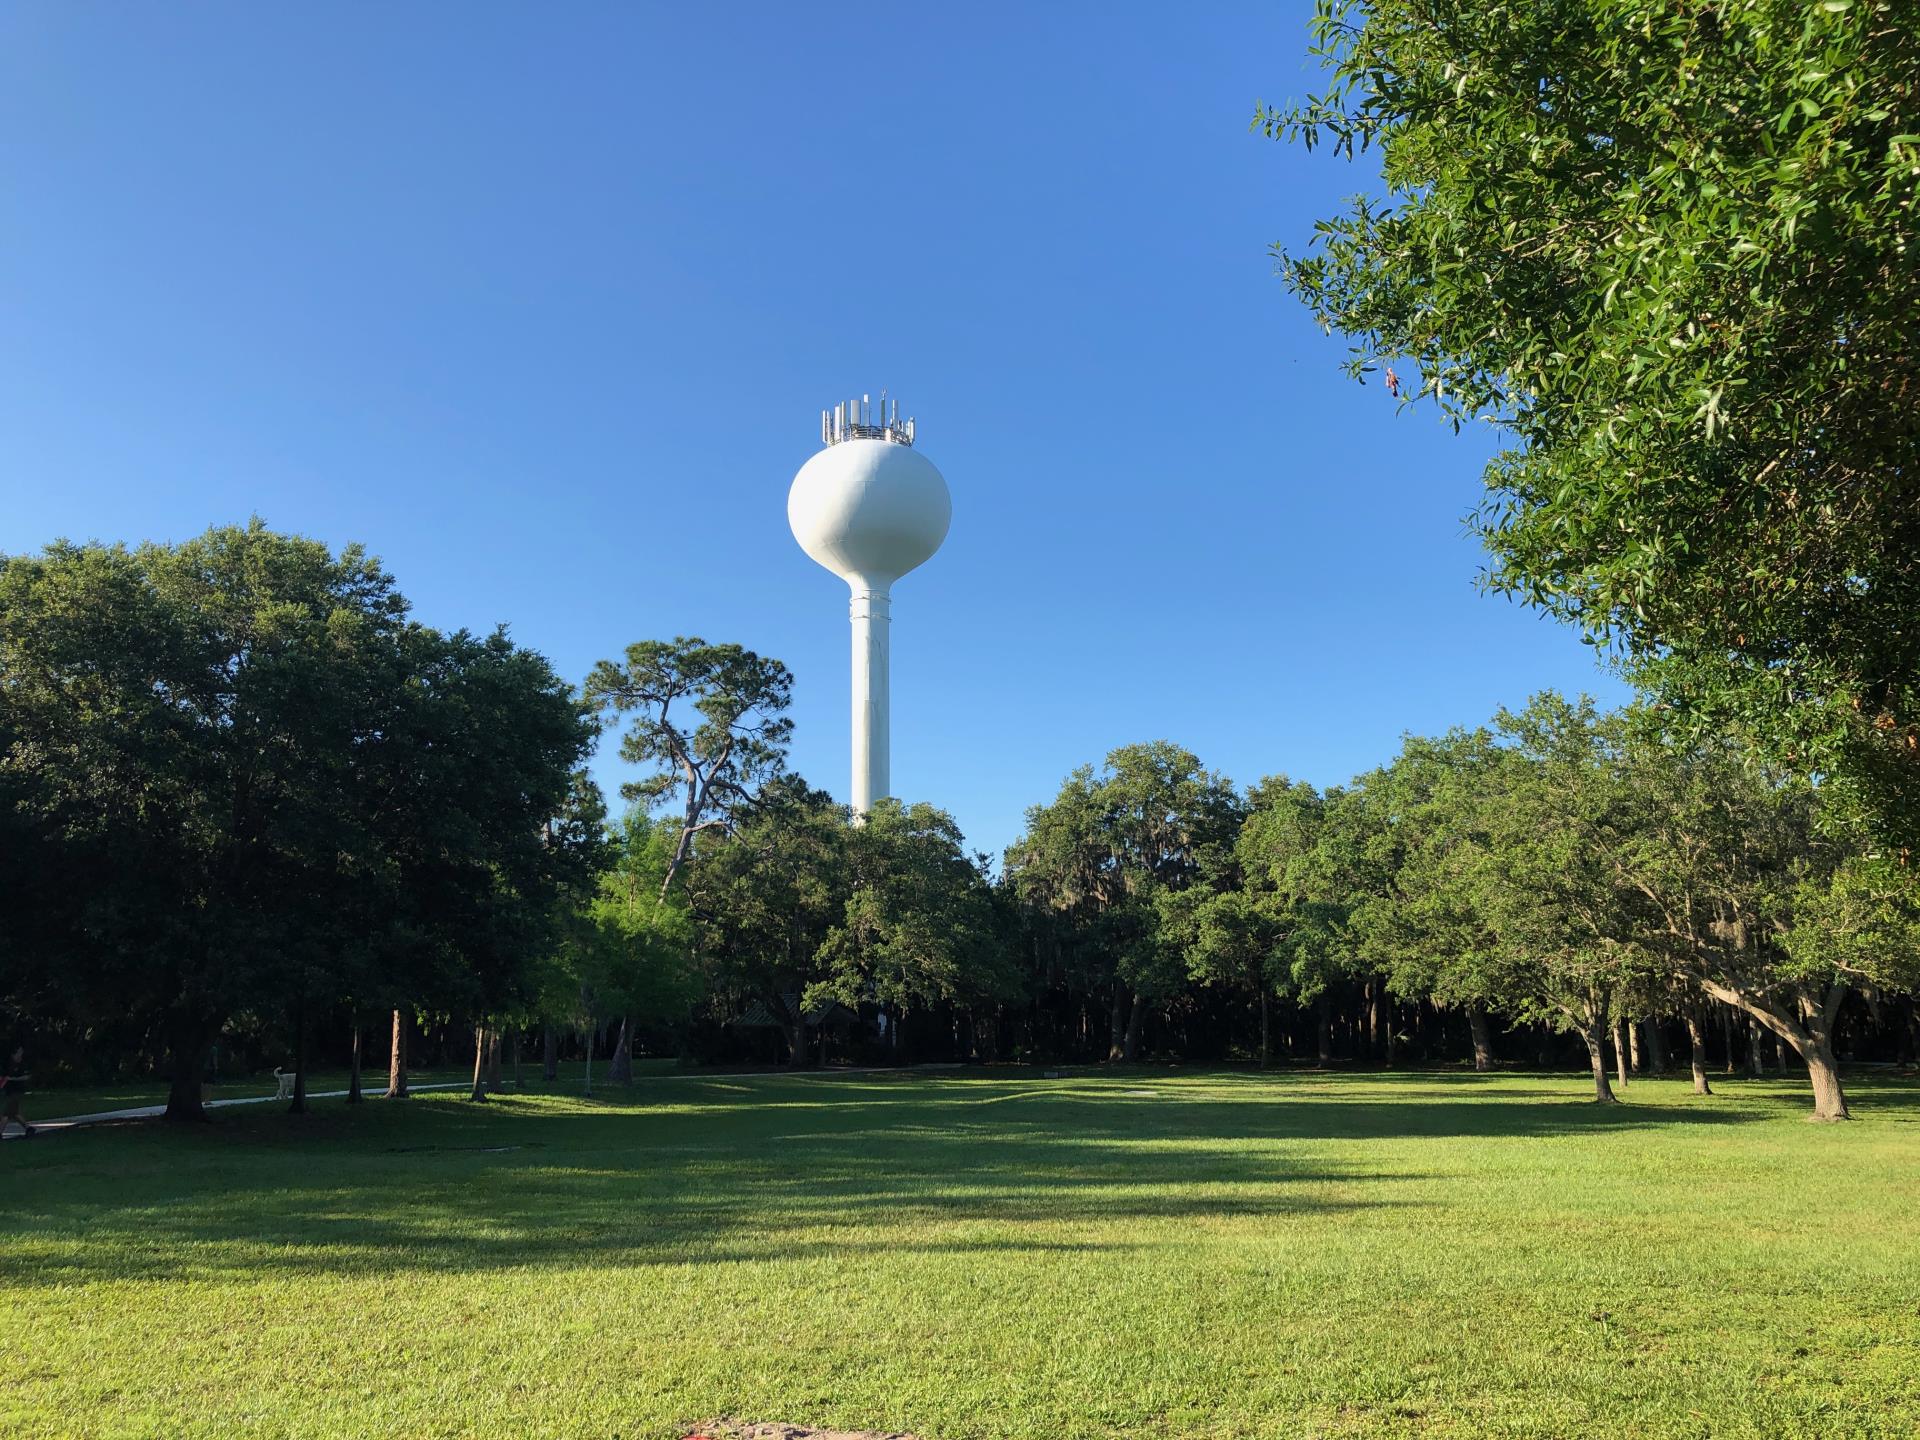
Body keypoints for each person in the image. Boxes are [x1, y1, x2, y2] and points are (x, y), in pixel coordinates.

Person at [2, 1047, 33, 1138]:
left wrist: (12, 1079)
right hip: (9, 1091)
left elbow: (27, 1077)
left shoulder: (22, 1064)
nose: (21, 1054)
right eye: (19, 1052)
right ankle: (28, 1128)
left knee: (6, 1113)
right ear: (13, 1054)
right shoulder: (8, 1064)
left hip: (17, 1091)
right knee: (14, 1113)